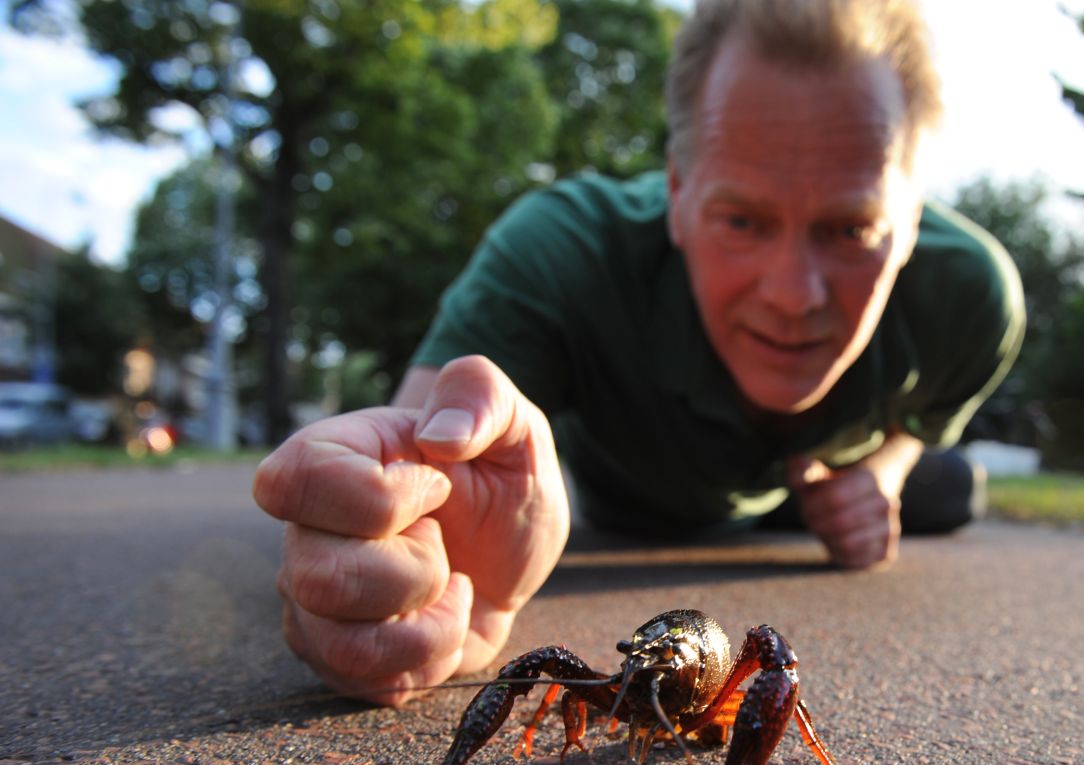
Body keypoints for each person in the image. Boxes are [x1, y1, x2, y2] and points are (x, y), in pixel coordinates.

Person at [253, 0, 1025, 705]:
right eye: (742, 221)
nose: (794, 295)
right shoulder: (560, 250)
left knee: (954, 487)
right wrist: (385, 544)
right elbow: (411, 455)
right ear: (677, 193)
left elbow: (919, 425)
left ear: (914, 219)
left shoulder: (973, 298)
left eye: (851, 229)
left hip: (811, 488)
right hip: (635, 499)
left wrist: (881, 474)